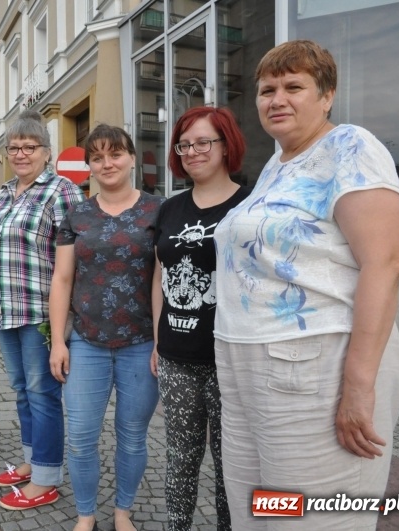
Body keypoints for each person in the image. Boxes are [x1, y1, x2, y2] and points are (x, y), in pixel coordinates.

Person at [213, 40, 399, 529]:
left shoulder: (350, 147)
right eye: (267, 90)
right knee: (259, 512)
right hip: (247, 369)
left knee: (309, 516)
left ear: (326, 95)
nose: (277, 99)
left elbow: (384, 263)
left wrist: (359, 388)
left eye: (293, 86)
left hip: (311, 368)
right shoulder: (277, 166)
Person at [48, 124, 163, 531]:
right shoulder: (75, 215)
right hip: (86, 342)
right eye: (97, 157)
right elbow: (62, 279)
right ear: (89, 166)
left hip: (140, 340)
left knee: (132, 435)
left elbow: (159, 279)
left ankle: (123, 512)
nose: (107, 163)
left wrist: (160, 343)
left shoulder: (157, 210)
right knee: (80, 437)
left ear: (132, 157)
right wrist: (57, 342)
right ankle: (85, 514)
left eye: (115, 153)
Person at [0, 110, 85, 511]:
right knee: (23, 393)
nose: (21, 154)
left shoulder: (62, 192)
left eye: (30, 147)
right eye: (15, 148)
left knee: (42, 395)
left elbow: (73, 263)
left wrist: (65, 327)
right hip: (6, 310)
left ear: (46, 151)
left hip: (42, 313)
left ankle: (47, 478)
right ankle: (32, 460)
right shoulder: (3, 193)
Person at [150, 106, 249, 531]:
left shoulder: (250, 204)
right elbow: (160, 275)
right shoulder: (169, 209)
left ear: (227, 146)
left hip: (230, 358)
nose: (193, 151)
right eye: (185, 144)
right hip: (176, 357)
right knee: (180, 458)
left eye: (204, 142)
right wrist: (157, 341)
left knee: (233, 464)